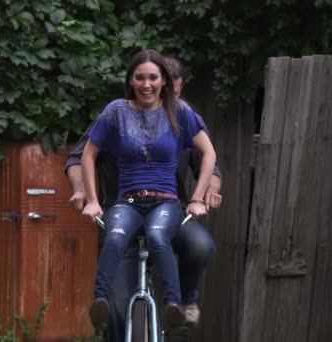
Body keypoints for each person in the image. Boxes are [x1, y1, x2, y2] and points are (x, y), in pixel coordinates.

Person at [65, 54, 222, 341]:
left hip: (169, 208)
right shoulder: (116, 114)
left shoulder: (181, 114)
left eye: (157, 80)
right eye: (141, 78)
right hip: (123, 206)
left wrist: (205, 194)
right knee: (117, 305)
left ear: (172, 85)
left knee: (199, 245)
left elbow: (210, 162)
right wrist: (85, 194)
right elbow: (80, 157)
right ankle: (106, 315)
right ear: (130, 80)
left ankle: (183, 304)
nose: (148, 86)